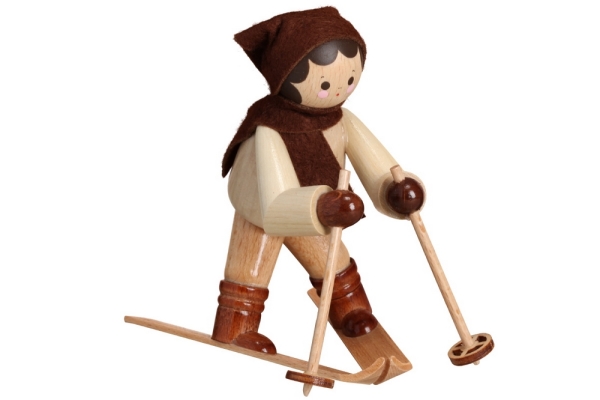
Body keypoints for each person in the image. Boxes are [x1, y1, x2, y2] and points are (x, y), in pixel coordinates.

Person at [212, 7, 425, 355]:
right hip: (262, 210)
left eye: (350, 79)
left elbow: (376, 164)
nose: (339, 89)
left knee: (332, 260)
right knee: (250, 269)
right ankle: (236, 328)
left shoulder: (340, 119)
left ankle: (350, 312)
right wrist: (322, 207)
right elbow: (275, 200)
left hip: (316, 209)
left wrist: (394, 189)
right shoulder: (268, 130)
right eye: (325, 84)